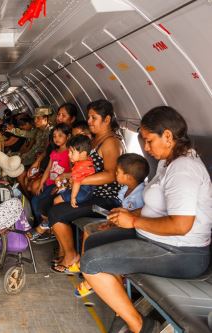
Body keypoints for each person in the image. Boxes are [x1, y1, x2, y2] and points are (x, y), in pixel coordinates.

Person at [81, 106, 212, 333]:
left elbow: (181, 226)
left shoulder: (184, 169)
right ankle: (125, 305)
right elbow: (155, 207)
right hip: (157, 239)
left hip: (181, 252)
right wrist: (126, 216)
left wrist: (132, 222)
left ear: (168, 136)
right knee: (94, 240)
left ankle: (141, 326)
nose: (146, 148)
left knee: (91, 263)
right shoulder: (167, 163)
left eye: (149, 141)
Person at [47, 99, 123, 274]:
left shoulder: (110, 142)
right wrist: (68, 176)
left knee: (55, 213)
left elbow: (111, 174)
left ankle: (71, 256)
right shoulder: (96, 140)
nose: (89, 121)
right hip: (88, 194)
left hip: (104, 199)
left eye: (93, 118)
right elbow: (82, 171)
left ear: (107, 119)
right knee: (52, 204)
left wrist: (80, 181)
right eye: (88, 117)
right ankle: (66, 251)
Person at [75, 153, 149, 298]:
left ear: (128, 177)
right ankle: (86, 267)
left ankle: (96, 280)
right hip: (120, 224)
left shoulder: (140, 195)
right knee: (90, 229)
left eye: (118, 172)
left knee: (100, 236)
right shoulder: (125, 188)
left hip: (132, 229)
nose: (115, 174)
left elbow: (134, 219)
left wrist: (112, 225)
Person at [29, 123, 72, 235]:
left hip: (58, 186)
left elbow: (72, 173)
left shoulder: (70, 153)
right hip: (49, 183)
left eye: (60, 135)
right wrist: (41, 183)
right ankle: (41, 225)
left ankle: (47, 227)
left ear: (68, 136)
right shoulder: (54, 152)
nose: (56, 138)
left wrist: (62, 187)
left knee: (43, 204)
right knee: (34, 200)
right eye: (54, 136)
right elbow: (48, 169)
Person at [53, 134, 96, 208]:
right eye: (69, 152)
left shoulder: (79, 167)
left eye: (72, 152)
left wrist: (73, 198)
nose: (69, 155)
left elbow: (76, 183)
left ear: (83, 154)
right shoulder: (88, 160)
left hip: (81, 193)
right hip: (89, 192)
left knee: (56, 200)